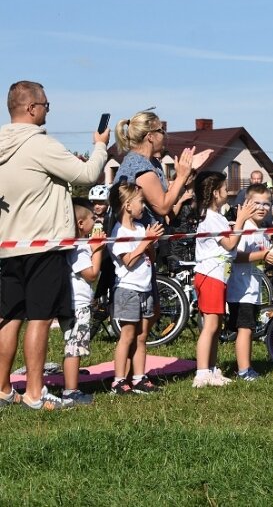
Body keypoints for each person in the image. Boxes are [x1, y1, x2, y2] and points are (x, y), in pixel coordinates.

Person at [0, 80, 108, 410]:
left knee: (8, 317)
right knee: (40, 317)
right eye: (46, 105)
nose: (48, 110)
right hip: (43, 245)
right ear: (31, 108)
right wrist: (100, 146)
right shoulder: (39, 144)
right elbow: (87, 174)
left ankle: (3, 389)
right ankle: (35, 393)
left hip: (8, 245)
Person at [192, 171, 259, 388]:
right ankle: (201, 372)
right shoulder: (210, 218)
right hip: (209, 275)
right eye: (224, 189)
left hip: (218, 276)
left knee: (216, 325)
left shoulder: (217, 217)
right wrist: (240, 220)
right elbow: (230, 244)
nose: (227, 192)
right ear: (214, 193)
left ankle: (211, 369)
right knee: (210, 325)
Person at [226, 184, 273, 381]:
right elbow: (236, 256)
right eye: (257, 203)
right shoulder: (244, 229)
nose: (262, 207)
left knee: (248, 330)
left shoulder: (261, 232)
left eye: (266, 204)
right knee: (245, 329)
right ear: (245, 204)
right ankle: (243, 370)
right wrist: (262, 254)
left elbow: (271, 258)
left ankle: (243, 366)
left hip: (251, 291)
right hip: (240, 291)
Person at [108, 181, 165, 395]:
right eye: (141, 202)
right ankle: (119, 380)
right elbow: (129, 261)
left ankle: (139, 377)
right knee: (128, 335)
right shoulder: (118, 232)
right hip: (128, 290)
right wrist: (144, 242)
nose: (144, 206)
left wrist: (151, 244)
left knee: (142, 336)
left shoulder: (141, 228)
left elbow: (151, 257)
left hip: (145, 288)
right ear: (127, 205)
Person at [55, 198, 106, 405]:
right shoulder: (78, 249)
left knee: (73, 347)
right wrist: (98, 250)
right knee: (74, 348)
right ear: (81, 224)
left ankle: (71, 387)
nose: (97, 221)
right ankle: (70, 392)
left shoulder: (80, 245)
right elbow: (91, 274)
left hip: (78, 304)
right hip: (77, 306)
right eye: (93, 218)